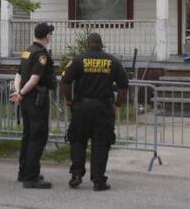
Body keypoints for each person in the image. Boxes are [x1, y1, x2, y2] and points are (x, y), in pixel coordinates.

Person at [61, 33, 129, 191]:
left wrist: (69, 100)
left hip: (81, 108)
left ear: (87, 44)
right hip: (103, 109)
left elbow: (65, 82)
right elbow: (123, 86)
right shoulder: (112, 61)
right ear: (101, 45)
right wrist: (117, 104)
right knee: (101, 144)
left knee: (78, 141)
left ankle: (76, 175)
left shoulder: (78, 60)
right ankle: (99, 181)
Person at [10, 22, 56, 189]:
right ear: (46, 36)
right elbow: (35, 79)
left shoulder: (27, 51)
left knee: (28, 135)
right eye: (50, 34)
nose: (51, 36)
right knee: (38, 137)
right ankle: (31, 177)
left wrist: (19, 92)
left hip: (26, 99)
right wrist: (21, 94)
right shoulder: (41, 55)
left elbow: (18, 75)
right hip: (37, 99)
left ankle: (23, 173)